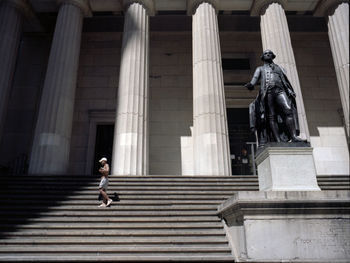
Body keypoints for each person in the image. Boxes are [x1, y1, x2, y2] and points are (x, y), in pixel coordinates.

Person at [245, 49, 306, 146]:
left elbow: (285, 81)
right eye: (265, 54)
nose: (268, 54)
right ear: (263, 57)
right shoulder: (260, 69)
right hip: (268, 92)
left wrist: (289, 90)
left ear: (273, 56)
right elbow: (255, 79)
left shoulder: (279, 68)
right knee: (271, 116)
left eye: (269, 53)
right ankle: (278, 140)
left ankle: (294, 136)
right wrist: (251, 85)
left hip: (280, 91)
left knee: (288, 110)